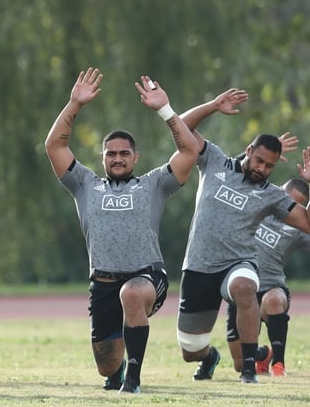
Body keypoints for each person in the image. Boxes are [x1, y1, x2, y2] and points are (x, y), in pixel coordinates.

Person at [43, 68, 200, 394]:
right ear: (102, 157)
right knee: (106, 364)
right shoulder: (84, 184)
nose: (117, 158)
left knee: (131, 294)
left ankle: (134, 378)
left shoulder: (154, 184)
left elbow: (189, 151)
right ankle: (117, 372)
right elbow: (54, 147)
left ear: (135, 157)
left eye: (124, 153)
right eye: (111, 153)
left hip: (147, 278)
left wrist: (165, 110)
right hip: (102, 282)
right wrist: (74, 105)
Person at [177, 88, 310, 384]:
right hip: (199, 265)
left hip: (238, 263)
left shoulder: (272, 195)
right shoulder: (215, 162)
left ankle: (250, 369)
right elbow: (180, 126)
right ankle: (210, 357)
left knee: (245, 285)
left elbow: (307, 223)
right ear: (248, 151)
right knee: (190, 349)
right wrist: (212, 106)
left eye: (269, 166)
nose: (262, 169)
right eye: (259, 161)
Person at [226, 177, 310, 377]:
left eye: (296, 206)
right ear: (280, 192)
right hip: (243, 288)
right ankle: (263, 354)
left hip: (272, 288)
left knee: (273, 300)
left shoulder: (298, 228)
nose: (288, 208)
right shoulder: (258, 207)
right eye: (287, 201)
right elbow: (236, 176)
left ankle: (278, 364)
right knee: (240, 364)